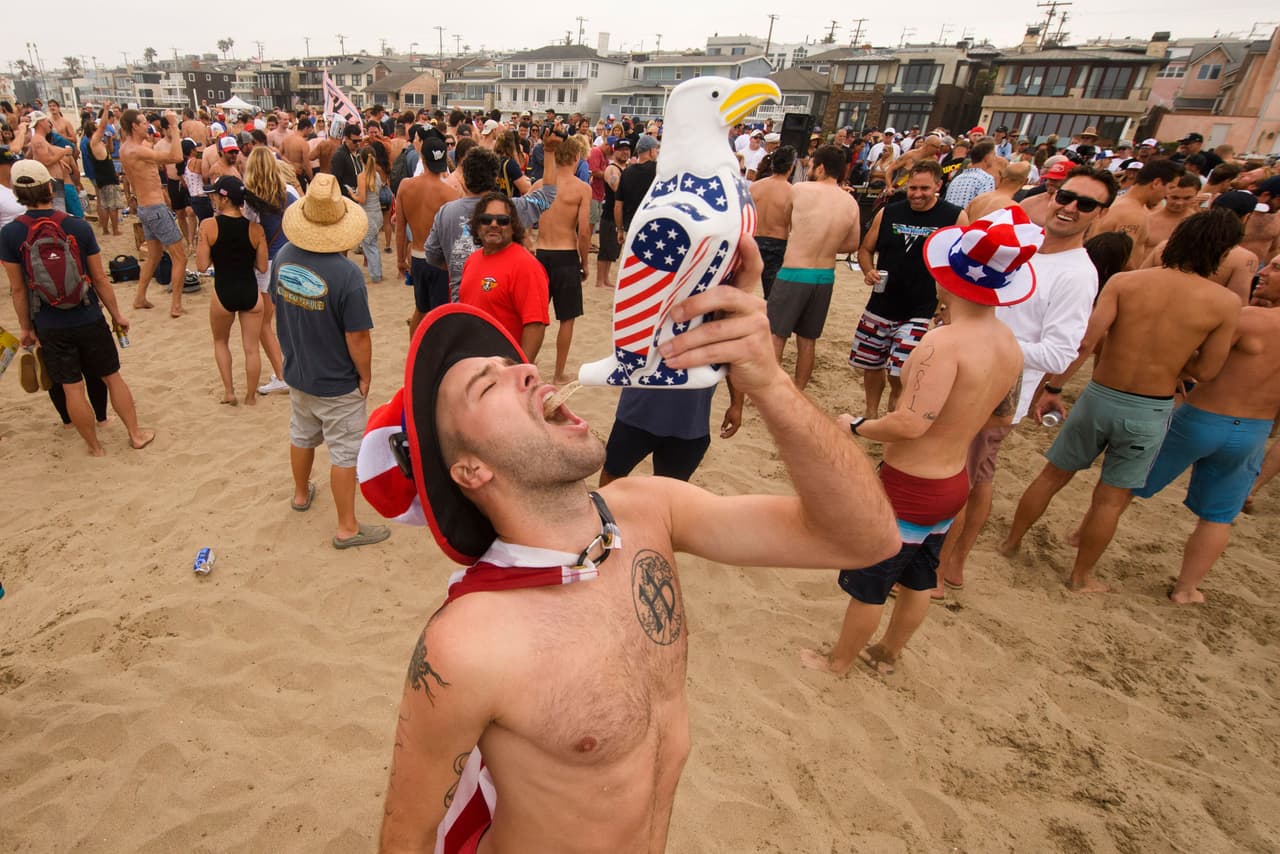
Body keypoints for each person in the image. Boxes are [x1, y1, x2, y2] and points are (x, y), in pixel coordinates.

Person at [369, 237, 899, 854]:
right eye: (487, 386)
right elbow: (406, 834)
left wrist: (768, 379)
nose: (527, 369)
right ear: (470, 471)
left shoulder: (650, 511)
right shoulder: (467, 644)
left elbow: (865, 538)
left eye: (513, 364)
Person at [803, 208, 1034, 676]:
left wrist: (856, 426)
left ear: (949, 280)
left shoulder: (943, 344)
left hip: (911, 484)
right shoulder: (1008, 342)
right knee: (918, 577)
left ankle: (839, 662)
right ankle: (888, 654)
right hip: (953, 481)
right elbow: (1001, 415)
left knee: (870, 583)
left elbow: (910, 423)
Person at [1000, 209, 1243, 592]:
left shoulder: (1126, 282)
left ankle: (1010, 543)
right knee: (1110, 500)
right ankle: (1080, 577)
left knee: (1052, 476)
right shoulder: (1224, 303)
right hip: (1149, 405)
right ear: (1223, 251)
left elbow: (1086, 342)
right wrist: (1177, 361)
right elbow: (1209, 370)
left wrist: (1054, 388)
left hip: (1099, 395)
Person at [935, 167, 1114, 597]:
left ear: (1100, 214)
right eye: (1066, 196)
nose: (1070, 207)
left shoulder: (1077, 273)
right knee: (977, 477)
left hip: (998, 390)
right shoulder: (1026, 244)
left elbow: (1060, 353)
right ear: (1052, 194)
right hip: (972, 378)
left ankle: (936, 575)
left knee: (956, 480)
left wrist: (988, 342)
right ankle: (953, 566)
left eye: (1085, 204)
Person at [1124, 253, 1280, 603]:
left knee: (1127, 483)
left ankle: (1081, 538)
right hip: (1253, 430)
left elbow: (1197, 359)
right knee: (1218, 517)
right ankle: (1186, 589)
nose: (1265, 271)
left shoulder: (1250, 319)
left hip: (1203, 416)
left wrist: (1178, 374)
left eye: (1277, 267)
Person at [1, 160, 154, 455]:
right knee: (112, 376)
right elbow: (99, 278)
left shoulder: (10, 235)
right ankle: (135, 434)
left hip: (48, 321)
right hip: (87, 314)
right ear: (49, 187)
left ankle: (95, 448)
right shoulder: (75, 225)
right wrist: (116, 314)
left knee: (72, 387)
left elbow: (18, 289)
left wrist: (25, 328)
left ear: (17, 192)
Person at [270, 174, 389, 550]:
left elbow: (279, 307)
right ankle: (347, 526)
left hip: (298, 370)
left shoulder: (284, 256)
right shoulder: (347, 275)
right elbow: (357, 336)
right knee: (344, 451)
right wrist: (365, 376)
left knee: (301, 433)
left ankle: (301, 494)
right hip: (336, 380)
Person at [853, 160, 967, 415]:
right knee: (871, 364)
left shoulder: (954, 216)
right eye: (912, 187)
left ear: (938, 185)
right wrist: (867, 270)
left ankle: (895, 408)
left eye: (924, 188)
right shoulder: (889, 212)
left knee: (901, 370)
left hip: (922, 307)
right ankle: (871, 413)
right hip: (882, 303)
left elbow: (961, 264)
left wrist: (948, 306)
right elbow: (865, 249)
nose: (917, 194)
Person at [766, 144, 860, 391]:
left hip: (795, 271)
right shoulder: (850, 202)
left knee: (777, 336)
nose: (808, 169)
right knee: (808, 341)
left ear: (820, 167)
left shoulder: (800, 189)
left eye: (810, 165)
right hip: (825, 276)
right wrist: (827, 244)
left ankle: (775, 392)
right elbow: (852, 243)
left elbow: (787, 221)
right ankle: (799, 390)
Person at [425, 147, 559, 303]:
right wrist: (550, 152)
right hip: (500, 301)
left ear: (464, 178)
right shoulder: (510, 209)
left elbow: (432, 253)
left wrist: (455, 264)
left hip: (461, 304)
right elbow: (548, 195)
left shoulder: (445, 212)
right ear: (496, 177)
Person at [196, 176, 267, 406]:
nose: (213, 199)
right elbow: (263, 266)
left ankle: (229, 392)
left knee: (220, 342)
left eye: (215, 195)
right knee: (252, 349)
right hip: (250, 291)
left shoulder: (208, 225)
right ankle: (250, 397)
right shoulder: (255, 229)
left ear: (225, 198)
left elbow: (201, 266)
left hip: (223, 291)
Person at [457, 192, 549, 359]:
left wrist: (520, 369)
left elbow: (535, 324)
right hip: (473, 364)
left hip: (504, 370)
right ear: (477, 225)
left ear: (513, 226)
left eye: (502, 220)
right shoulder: (472, 260)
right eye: (486, 219)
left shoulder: (526, 265)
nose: (493, 224)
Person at [120, 108, 188, 317]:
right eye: (142, 123)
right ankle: (176, 305)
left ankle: (140, 297)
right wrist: (174, 125)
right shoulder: (135, 150)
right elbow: (176, 156)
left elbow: (155, 149)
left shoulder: (128, 148)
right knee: (180, 257)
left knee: (154, 256)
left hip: (146, 207)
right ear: (133, 126)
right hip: (154, 208)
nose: (147, 126)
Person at [397, 136, 460, 333]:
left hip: (416, 258)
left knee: (420, 310)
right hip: (440, 263)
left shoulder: (405, 186)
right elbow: (454, 236)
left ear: (422, 159)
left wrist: (400, 259)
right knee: (440, 316)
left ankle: (414, 354)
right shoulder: (450, 193)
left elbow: (400, 228)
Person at [1090, 158, 1183, 270]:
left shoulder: (1117, 201)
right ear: (1157, 183)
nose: (1168, 194)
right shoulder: (1133, 215)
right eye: (1170, 187)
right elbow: (1126, 261)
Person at [750, 144, 795, 301]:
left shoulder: (755, 187)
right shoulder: (792, 192)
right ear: (791, 167)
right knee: (773, 296)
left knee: (743, 290)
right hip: (777, 242)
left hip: (754, 239)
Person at [594, 138, 628, 289]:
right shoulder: (612, 169)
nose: (625, 152)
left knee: (613, 248)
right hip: (609, 213)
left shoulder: (625, 168)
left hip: (618, 214)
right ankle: (599, 280)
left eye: (627, 150)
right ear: (615, 151)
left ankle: (606, 278)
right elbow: (617, 188)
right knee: (606, 247)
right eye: (622, 150)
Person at [1141, 174, 1199, 259]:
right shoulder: (1147, 219)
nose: (1179, 203)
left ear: (1196, 195)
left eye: (1187, 198)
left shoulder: (1199, 224)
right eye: (1175, 197)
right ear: (1166, 194)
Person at [86, 106, 123, 237]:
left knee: (105, 204)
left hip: (103, 175)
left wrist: (109, 139)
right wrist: (106, 109)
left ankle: (106, 229)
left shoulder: (96, 143)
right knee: (112, 205)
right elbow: (102, 126)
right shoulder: (94, 142)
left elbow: (110, 150)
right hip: (107, 176)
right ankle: (115, 230)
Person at [354, 148, 386, 283]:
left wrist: (351, 194)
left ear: (361, 159)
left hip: (367, 214)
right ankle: (377, 272)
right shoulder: (376, 175)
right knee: (372, 244)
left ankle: (376, 275)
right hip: (377, 213)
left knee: (369, 245)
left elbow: (362, 199)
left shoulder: (362, 176)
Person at [964, 160, 1029, 222]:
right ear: (1025, 182)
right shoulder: (1014, 208)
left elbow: (962, 223)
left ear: (1001, 178)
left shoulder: (979, 198)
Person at [944, 140, 997, 209]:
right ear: (986, 157)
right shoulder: (987, 179)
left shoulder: (957, 178)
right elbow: (983, 208)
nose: (995, 158)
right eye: (994, 154)